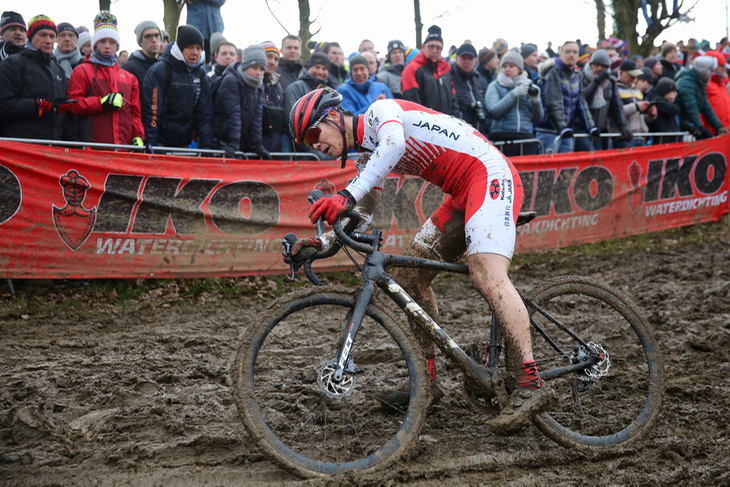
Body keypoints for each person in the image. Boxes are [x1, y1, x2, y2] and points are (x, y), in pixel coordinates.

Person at [287, 88, 556, 434]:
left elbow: (394, 147)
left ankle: (529, 382)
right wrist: (320, 243)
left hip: (488, 175)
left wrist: (344, 194)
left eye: (314, 134)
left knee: (486, 274)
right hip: (460, 192)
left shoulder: (379, 112)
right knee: (410, 278)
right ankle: (427, 383)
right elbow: (362, 211)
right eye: (307, 143)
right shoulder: (368, 157)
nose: (315, 146)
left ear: (335, 117)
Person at [66, 11, 144, 146]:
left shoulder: (129, 78)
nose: (107, 46)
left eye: (112, 42)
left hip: (122, 148)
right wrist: (101, 102)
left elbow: (135, 112)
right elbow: (72, 105)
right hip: (92, 147)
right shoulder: (82, 71)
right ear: (95, 44)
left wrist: (138, 136)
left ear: (117, 46)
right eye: (102, 41)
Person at [141, 24, 214, 149]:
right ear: (180, 49)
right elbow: (152, 111)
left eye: (198, 48)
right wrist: (151, 143)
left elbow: (204, 114)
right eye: (190, 48)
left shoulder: (201, 74)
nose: (195, 53)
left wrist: (207, 147)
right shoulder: (160, 70)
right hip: (160, 143)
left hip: (184, 143)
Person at [0, 15, 70, 141]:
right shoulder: (13, 64)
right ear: (30, 37)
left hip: (54, 147)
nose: (48, 41)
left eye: (52, 36)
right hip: (20, 147)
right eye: (42, 35)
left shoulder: (59, 70)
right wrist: (40, 106)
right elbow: (3, 106)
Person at [535, 41, 596, 153]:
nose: (571, 55)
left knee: (566, 170)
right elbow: (553, 102)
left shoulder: (577, 75)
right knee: (548, 169)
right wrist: (562, 128)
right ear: (561, 55)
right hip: (549, 131)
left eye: (574, 52)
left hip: (566, 132)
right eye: (568, 52)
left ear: (578, 56)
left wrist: (590, 126)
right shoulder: (553, 72)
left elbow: (581, 102)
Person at [214, 45, 270, 160]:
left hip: (237, 142)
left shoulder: (259, 85)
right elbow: (234, 113)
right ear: (245, 66)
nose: (258, 73)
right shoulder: (231, 80)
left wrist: (257, 145)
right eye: (255, 68)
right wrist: (234, 142)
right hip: (221, 141)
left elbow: (256, 117)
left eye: (261, 69)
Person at [485, 49, 543, 156]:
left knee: (526, 173)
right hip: (502, 137)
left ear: (519, 69)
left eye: (511, 66)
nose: (507, 69)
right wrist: (514, 94)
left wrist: (536, 101)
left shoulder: (528, 86)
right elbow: (494, 112)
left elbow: (538, 118)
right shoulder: (494, 86)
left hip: (526, 137)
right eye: (504, 66)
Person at [402, 25, 459, 116]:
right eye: (431, 46)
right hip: (424, 125)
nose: (434, 50)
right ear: (423, 47)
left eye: (438, 47)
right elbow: (412, 104)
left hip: (447, 125)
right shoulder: (412, 69)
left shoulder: (445, 70)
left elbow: (454, 101)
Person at [578, 49, 629, 151]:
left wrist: (623, 126)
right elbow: (583, 99)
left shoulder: (610, 82)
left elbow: (617, 107)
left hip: (601, 132)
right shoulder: (581, 77)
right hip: (582, 130)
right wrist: (597, 82)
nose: (599, 68)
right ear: (590, 64)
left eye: (603, 66)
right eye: (596, 65)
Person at [675, 56, 728, 139]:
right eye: (711, 71)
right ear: (704, 71)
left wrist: (719, 127)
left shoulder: (698, 82)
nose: (713, 74)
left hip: (691, 127)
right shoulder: (687, 83)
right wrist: (700, 129)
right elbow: (691, 108)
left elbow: (706, 108)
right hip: (683, 128)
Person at [612, 59, 657, 148]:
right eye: (631, 75)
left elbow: (638, 117)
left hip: (640, 137)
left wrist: (651, 115)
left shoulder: (637, 92)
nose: (634, 78)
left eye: (636, 75)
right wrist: (636, 107)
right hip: (624, 137)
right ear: (621, 73)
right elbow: (616, 113)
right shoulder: (615, 90)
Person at [451, 43, 487, 134]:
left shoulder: (477, 79)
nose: (467, 62)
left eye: (470, 59)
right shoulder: (449, 78)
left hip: (478, 132)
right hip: (457, 132)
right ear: (457, 59)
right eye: (464, 58)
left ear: (475, 61)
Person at [260, 41, 285, 153]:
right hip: (252, 150)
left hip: (274, 150)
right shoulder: (248, 83)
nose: (272, 62)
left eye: (276, 59)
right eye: (268, 57)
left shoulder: (278, 85)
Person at [122, 20, 162, 88]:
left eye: (157, 35)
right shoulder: (130, 68)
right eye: (148, 36)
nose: (154, 40)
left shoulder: (165, 66)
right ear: (140, 42)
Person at [647, 77, 681, 144]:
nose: (676, 94)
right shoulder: (658, 103)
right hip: (660, 142)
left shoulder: (669, 104)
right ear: (666, 91)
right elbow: (674, 109)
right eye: (673, 91)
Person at [702, 51, 730, 131]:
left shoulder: (722, 84)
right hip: (712, 133)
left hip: (724, 132)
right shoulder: (705, 85)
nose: (725, 69)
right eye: (722, 66)